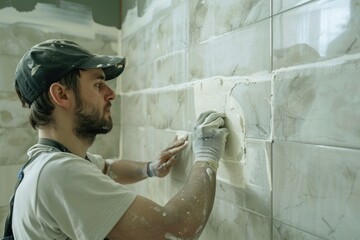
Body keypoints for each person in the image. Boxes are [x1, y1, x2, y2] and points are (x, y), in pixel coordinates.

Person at [11, 39, 229, 240]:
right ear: (62, 95)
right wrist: (206, 158)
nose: (111, 93)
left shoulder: (46, 161)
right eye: (98, 85)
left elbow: (107, 167)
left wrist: (150, 168)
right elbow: (174, 230)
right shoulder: (59, 173)